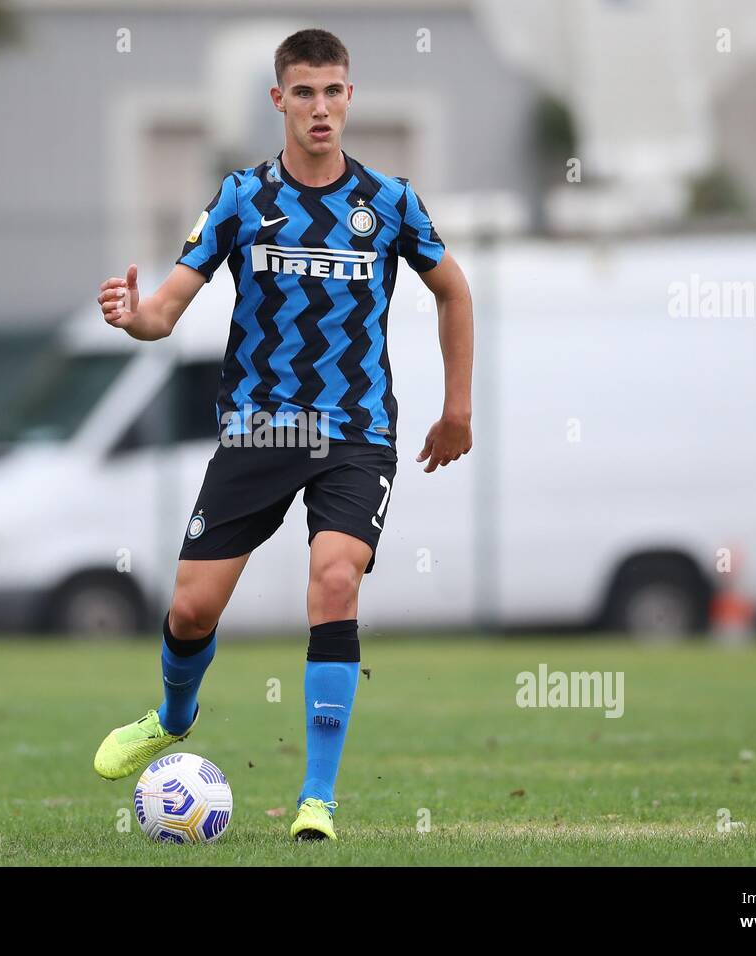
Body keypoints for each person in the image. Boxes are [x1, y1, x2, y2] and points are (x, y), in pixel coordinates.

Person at [92, 28, 474, 842]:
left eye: (335, 90)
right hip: (261, 430)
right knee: (192, 610)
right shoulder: (241, 199)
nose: (322, 108)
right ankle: (173, 714)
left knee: (335, 581)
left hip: (357, 430)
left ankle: (318, 799)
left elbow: (455, 293)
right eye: (305, 92)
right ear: (279, 101)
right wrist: (134, 319)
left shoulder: (392, 203)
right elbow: (165, 310)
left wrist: (457, 408)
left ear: (350, 96)